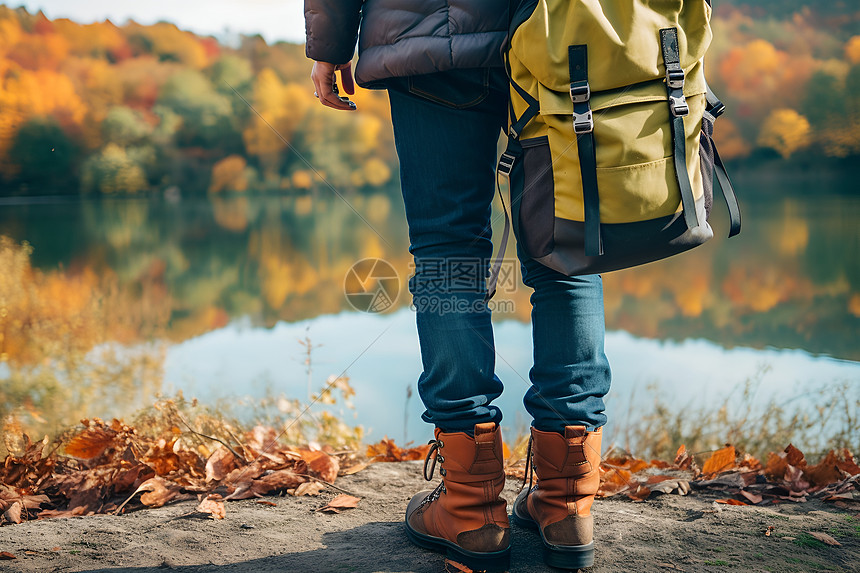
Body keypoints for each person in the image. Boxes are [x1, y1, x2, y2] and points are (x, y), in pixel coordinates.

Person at [304, 1, 611, 570]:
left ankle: (471, 509)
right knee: (567, 254)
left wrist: (329, 46)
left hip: (426, 41)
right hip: (558, 33)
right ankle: (568, 505)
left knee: (449, 256)